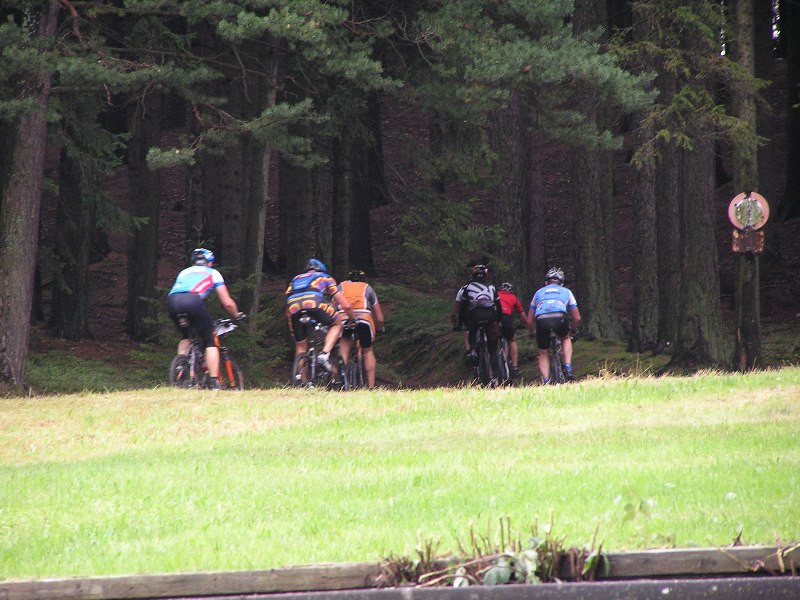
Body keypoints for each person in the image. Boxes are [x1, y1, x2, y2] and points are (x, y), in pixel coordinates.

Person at [167, 248, 243, 389]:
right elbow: (227, 302)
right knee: (209, 340)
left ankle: (181, 367)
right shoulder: (213, 273)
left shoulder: (184, 272)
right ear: (209, 262)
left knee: (186, 336)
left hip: (172, 301)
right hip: (193, 301)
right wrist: (236, 315)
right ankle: (214, 381)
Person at [285, 258, 355, 372]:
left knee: (301, 346)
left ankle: (301, 380)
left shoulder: (295, 279)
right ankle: (324, 354)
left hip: (294, 307)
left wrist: (292, 330)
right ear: (321, 269)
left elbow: (288, 309)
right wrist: (352, 318)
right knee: (337, 323)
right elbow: (346, 305)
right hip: (314, 303)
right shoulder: (325, 277)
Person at [527, 267, 582, 383]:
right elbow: (577, 317)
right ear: (561, 283)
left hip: (542, 319)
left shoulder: (538, 293)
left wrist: (532, 332)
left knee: (543, 352)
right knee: (565, 337)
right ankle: (568, 368)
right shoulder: (566, 291)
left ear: (546, 282)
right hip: (559, 318)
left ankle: (546, 381)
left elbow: (529, 320)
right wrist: (572, 329)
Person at [451, 263, 502, 384]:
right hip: (490, 317)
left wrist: (460, 324)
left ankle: (473, 350)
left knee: (472, 332)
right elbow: (499, 306)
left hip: (474, 317)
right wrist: (498, 320)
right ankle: (496, 377)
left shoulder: (467, 288)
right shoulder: (492, 287)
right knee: (493, 350)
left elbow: (462, 308)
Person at [336, 270, 385, 389]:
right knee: (367, 351)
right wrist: (379, 328)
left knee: (344, 346)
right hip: (364, 321)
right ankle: (371, 386)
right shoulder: (367, 288)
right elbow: (379, 318)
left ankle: (341, 381)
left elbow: (332, 307)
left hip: (344, 319)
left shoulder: (341, 286)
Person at [497, 282, 528, 379]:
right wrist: (526, 325)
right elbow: (522, 315)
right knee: (512, 340)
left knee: (492, 340)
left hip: (494, 319)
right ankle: (515, 367)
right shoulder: (513, 297)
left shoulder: (495, 295)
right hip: (506, 318)